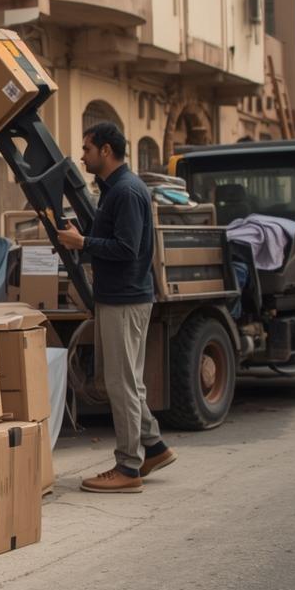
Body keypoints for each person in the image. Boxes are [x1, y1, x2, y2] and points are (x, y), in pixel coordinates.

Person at [55, 121, 176, 493]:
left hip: (126, 299)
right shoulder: (115, 189)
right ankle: (153, 446)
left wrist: (82, 243)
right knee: (124, 382)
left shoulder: (125, 191)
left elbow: (127, 248)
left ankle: (128, 468)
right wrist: (85, 237)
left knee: (122, 384)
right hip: (118, 297)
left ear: (106, 150)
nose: (82, 156)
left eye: (87, 149)